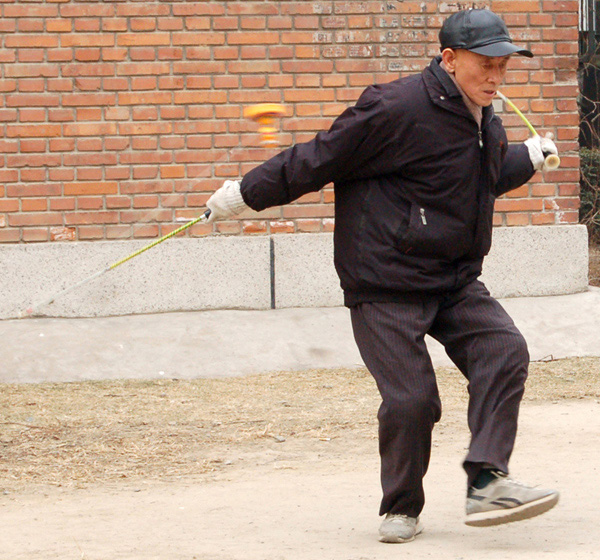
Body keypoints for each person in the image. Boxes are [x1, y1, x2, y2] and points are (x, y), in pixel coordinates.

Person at [206, 8, 560, 543]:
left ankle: (487, 480)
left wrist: (526, 158)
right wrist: (244, 194)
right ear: (449, 58)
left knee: (504, 350)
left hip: (453, 278)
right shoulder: (395, 107)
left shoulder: (485, 115)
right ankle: (401, 506)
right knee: (412, 399)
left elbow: (472, 182)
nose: (495, 77)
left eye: (503, 66)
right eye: (485, 64)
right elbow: (319, 157)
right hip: (385, 281)